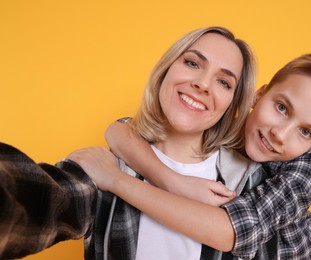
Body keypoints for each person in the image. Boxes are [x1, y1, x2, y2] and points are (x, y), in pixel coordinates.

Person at [0, 26, 257, 260]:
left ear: (233, 104)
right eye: (192, 63)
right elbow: (39, 199)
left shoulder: (247, 181)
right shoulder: (110, 164)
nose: (202, 84)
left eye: (224, 82)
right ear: (166, 69)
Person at [69, 52, 311, 260]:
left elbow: (231, 233)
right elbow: (120, 130)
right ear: (259, 94)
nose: (280, 134)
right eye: (281, 108)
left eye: (306, 132)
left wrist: (116, 181)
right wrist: (174, 182)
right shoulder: (220, 124)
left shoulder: (304, 167)